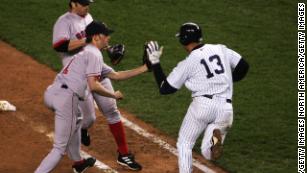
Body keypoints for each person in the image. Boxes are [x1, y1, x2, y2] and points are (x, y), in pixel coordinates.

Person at [145, 22, 249, 173]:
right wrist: (225, 80)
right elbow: (243, 66)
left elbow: (165, 88)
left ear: (183, 40)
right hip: (226, 109)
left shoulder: (189, 62)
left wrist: (155, 62)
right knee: (208, 153)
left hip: (203, 105)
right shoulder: (220, 48)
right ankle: (215, 142)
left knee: (185, 143)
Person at [52, 0, 142, 170]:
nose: (87, 6)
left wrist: (109, 50)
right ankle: (81, 131)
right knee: (88, 119)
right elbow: (60, 46)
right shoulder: (63, 22)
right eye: (84, 3)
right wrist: (87, 39)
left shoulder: (89, 18)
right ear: (73, 3)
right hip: (79, 76)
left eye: (88, 3)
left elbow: (98, 40)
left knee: (112, 110)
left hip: (97, 68)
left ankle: (123, 154)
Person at [35, 21, 123, 173]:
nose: (108, 37)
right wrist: (113, 95)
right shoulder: (94, 55)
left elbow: (116, 75)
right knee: (59, 149)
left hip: (51, 93)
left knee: (79, 118)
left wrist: (147, 67)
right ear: (96, 37)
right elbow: (94, 85)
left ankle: (79, 163)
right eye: (106, 35)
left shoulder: (85, 52)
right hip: (66, 100)